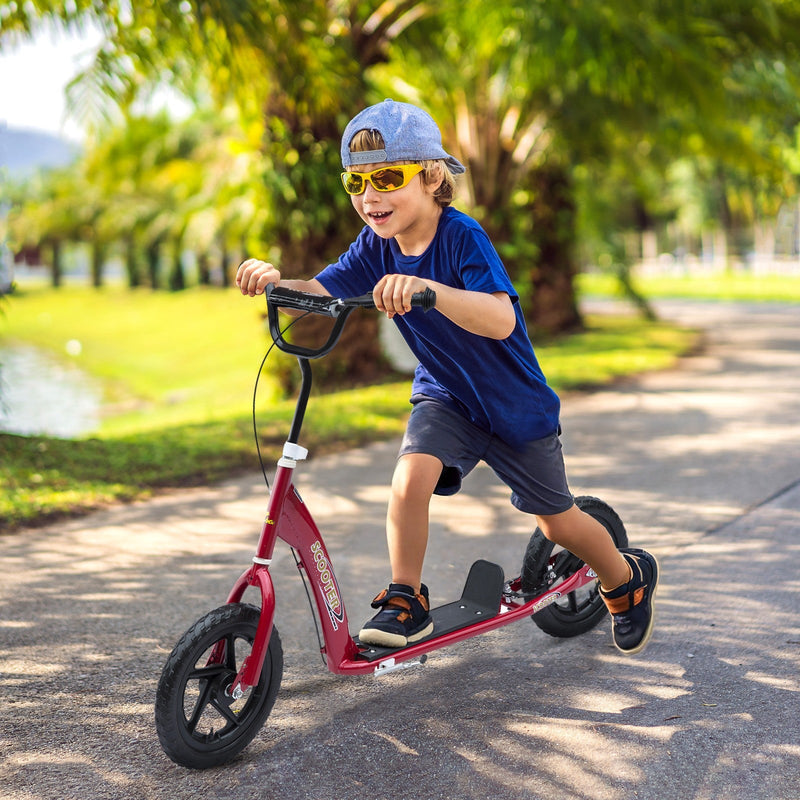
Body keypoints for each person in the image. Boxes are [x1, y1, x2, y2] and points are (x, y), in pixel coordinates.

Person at [236, 99, 658, 655]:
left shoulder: (461, 237)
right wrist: (275, 284)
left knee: (557, 523)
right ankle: (405, 599)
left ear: (431, 177)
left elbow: (500, 316)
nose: (370, 196)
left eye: (387, 177)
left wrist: (429, 293)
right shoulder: (376, 246)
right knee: (409, 479)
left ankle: (623, 581)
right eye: (356, 182)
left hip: (513, 405)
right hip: (446, 397)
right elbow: (319, 292)